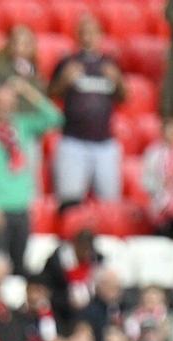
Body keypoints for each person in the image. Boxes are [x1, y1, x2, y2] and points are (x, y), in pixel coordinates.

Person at [0, 76, 60, 276]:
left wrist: (27, 91)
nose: (5, 107)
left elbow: (54, 118)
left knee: (19, 266)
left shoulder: (20, 126)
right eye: (0, 102)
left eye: (10, 102)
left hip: (20, 205)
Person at [50, 16, 125, 209]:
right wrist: (64, 81)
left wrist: (117, 81)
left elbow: (124, 98)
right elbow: (51, 94)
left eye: (92, 33)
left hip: (105, 143)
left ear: (100, 36)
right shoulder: (68, 62)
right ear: (77, 36)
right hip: (73, 142)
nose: (88, 37)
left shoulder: (110, 64)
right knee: (69, 203)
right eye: (84, 33)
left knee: (109, 204)